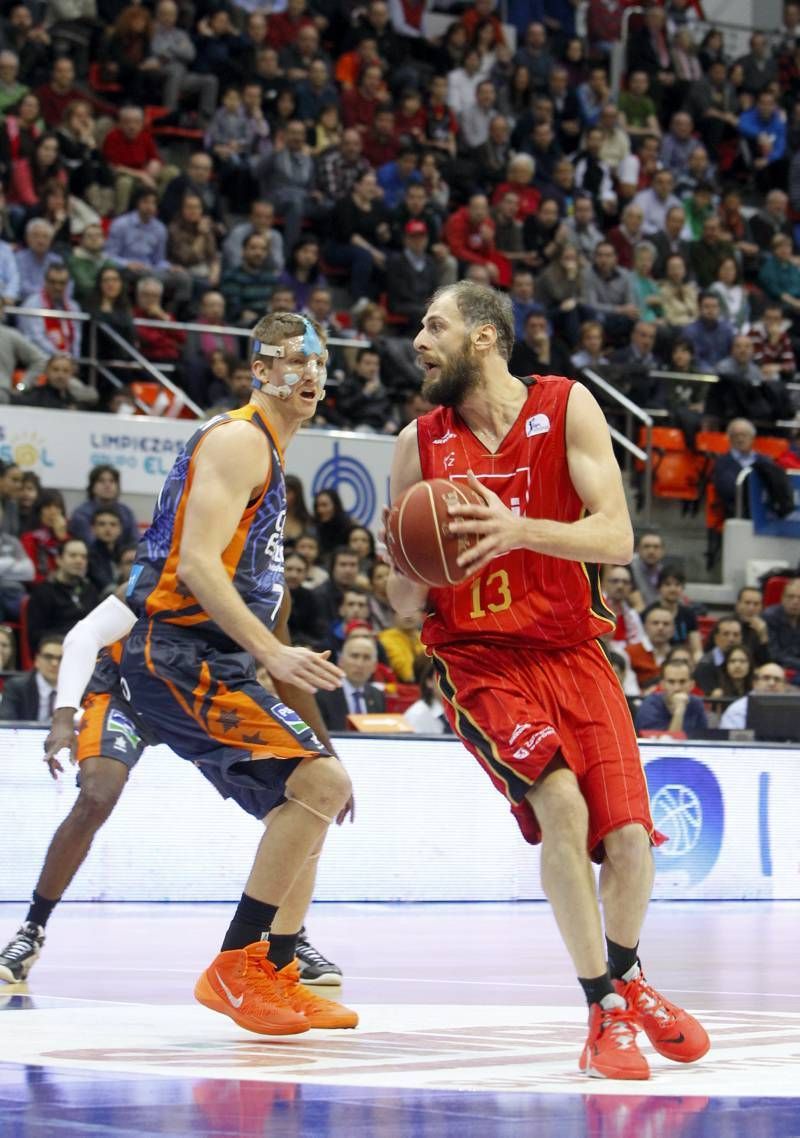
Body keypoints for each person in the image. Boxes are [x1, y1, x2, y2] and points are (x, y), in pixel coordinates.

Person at [386, 280, 709, 1079]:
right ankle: (603, 1008)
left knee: (629, 840)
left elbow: (618, 537)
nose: (419, 341)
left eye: (436, 326)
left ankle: (629, 976)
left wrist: (515, 529)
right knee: (561, 805)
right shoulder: (416, 443)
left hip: (573, 648)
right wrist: (410, 555)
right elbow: (401, 602)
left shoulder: (567, 406)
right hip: (480, 658)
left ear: (486, 338)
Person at [119, 310, 357, 1035]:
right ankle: (234, 965)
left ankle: (278, 969)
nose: (310, 371)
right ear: (259, 371)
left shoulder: (270, 458)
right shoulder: (239, 440)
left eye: (318, 359)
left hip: (210, 655)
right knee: (320, 784)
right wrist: (272, 652)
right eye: (292, 358)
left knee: (315, 792)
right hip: (173, 650)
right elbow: (194, 564)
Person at [0, 595, 346, 991]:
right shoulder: (174, 565)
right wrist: (64, 716)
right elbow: (85, 635)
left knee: (299, 805)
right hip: (126, 691)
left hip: (205, 695)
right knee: (97, 794)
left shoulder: (270, 584)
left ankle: (286, 938)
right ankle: (32, 929)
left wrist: (326, 756)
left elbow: (286, 674)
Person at [26, 538, 99, 651]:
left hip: (89, 650)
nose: (79, 560)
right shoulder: (43, 592)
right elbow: (36, 636)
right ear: (59, 559)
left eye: (83, 557)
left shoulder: (91, 590)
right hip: (58, 652)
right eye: (73, 555)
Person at [315, 631, 386, 730]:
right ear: (341, 661)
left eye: (366, 657)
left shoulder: (377, 696)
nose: (360, 664)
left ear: (374, 666)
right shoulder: (323, 695)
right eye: (354, 656)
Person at [634, 658, 708, 735]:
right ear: (662, 685)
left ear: (692, 685)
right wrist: (679, 710)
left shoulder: (697, 704)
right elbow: (667, 744)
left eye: (682, 681)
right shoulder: (650, 705)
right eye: (671, 682)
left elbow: (702, 738)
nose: (677, 688)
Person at [0, 633, 62, 721]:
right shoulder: (16, 687)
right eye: (48, 657)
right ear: (37, 660)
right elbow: (6, 723)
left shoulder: (78, 689)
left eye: (61, 658)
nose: (54, 663)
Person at [719, 662, 787, 728]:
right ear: (755, 683)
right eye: (766, 678)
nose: (771, 683)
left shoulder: (794, 711)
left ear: (784, 686)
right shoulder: (737, 710)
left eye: (777, 679)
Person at [694, 616, 744, 694]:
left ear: (741, 638)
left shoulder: (746, 661)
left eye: (736, 635)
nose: (731, 639)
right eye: (726, 634)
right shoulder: (705, 665)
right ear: (716, 638)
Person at [403, 655, 452, 734]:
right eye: (443, 676)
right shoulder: (416, 715)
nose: (450, 682)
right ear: (429, 682)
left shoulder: (464, 712)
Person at [763, 579, 800, 674]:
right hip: (777, 668)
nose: (795, 602)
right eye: (790, 597)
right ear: (782, 598)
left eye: (799, 598)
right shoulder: (770, 617)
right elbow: (775, 655)